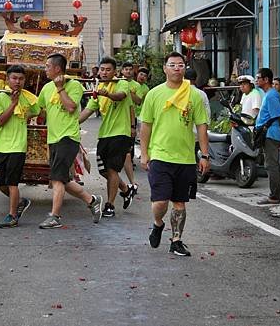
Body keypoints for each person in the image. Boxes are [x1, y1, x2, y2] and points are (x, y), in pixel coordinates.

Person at [140, 52, 210, 256]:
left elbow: (202, 127)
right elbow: (146, 126)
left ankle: (176, 240)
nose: (177, 68)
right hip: (160, 156)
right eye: (172, 65)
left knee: (179, 203)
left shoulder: (194, 95)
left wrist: (204, 156)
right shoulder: (154, 94)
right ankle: (158, 223)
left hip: (186, 157)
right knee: (160, 202)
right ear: (165, 69)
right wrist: (144, 154)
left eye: (180, 65)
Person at [36, 53, 103, 229]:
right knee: (62, 178)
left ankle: (55, 216)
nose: (45, 69)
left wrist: (60, 88)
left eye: (47, 66)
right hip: (53, 138)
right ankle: (92, 200)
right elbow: (39, 109)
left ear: (57, 68)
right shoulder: (46, 88)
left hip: (68, 137)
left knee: (57, 179)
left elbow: (71, 107)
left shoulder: (73, 85)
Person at [79, 57, 135, 217]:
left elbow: (120, 96)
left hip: (120, 134)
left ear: (114, 71)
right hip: (104, 135)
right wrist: (72, 124)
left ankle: (110, 205)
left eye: (108, 70)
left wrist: (108, 94)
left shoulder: (122, 83)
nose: (104, 72)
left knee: (111, 170)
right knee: (104, 171)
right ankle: (125, 189)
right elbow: (88, 111)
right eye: (102, 69)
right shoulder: (98, 88)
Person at [0, 66, 40, 228]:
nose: (17, 82)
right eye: (14, 78)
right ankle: (20, 202)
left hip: (18, 146)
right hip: (0, 146)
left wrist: (26, 116)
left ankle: (12, 215)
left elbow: (36, 110)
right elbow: (0, 121)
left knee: (12, 182)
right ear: (7, 79)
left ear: (24, 81)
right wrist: (13, 104)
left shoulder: (27, 97)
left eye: (20, 79)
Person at [255, 68, 280, 205]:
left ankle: (274, 196)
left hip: (271, 134)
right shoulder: (269, 94)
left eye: (258, 78)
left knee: (271, 165)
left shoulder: (272, 95)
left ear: (266, 79)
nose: (256, 80)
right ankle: (275, 194)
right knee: (272, 164)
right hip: (269, 133)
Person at [120, 62, 139, 197]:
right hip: (114, 125)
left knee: (127, 153)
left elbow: (136, 103)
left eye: (129, 69)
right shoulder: (117, 83)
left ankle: (132, 183)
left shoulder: (136, 86)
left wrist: (132, 126)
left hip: (129, 121)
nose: (127, 71)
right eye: (125, 69)